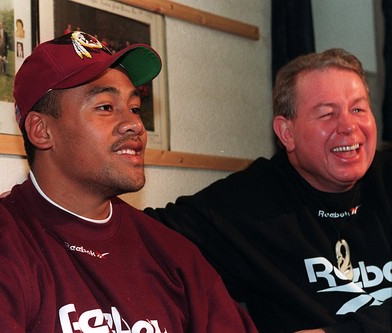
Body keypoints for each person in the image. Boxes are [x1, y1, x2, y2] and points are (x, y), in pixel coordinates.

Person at [0, 31, 257, 332]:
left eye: (134, 108)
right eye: (105, 107)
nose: (135, 125)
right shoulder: (3, 247)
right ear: (41, 130)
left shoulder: (175, 255)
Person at [145, 48, 392, 333]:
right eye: (326, 114)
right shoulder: (245, 204)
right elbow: (133, 237)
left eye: (358, 109)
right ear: (287, 133)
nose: (349, 126)